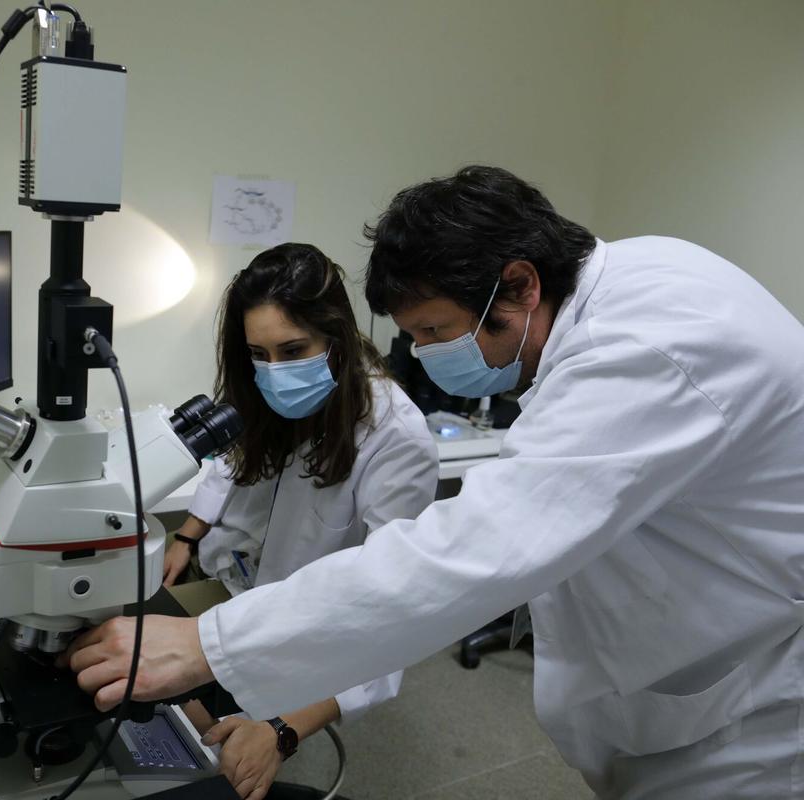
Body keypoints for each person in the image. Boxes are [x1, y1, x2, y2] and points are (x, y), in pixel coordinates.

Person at [68, 166, 804, 798]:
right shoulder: (629, 284)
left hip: (747, 723)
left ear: (518, 284)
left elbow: (467, 554)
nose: (420, 355)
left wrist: (209, 647)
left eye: (434, 331)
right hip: (672, 659)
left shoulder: (648, 346)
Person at [161, 242, 437, 800]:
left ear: (334, 337)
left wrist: (282, 730)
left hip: (313, 630)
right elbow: (226, 465)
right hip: (233, 593)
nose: (274, 370)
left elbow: (396, 613)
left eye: (293, 350)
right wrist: (187, 535)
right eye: (258, 353)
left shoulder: (393, 437)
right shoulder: (260, 389)